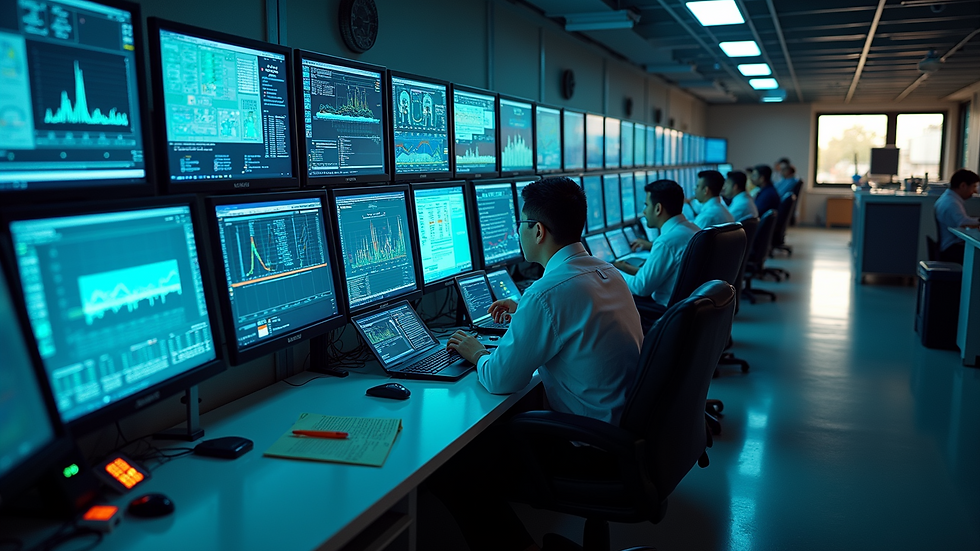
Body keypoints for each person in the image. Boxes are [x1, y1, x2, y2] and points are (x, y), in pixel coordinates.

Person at [433, 177, 644, 551]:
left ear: (538, 230)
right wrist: (525, 314)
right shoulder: (606, 272)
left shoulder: (547, 292)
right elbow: (574, 326)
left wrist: (474, 351)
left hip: (590, 449)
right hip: (627, 434)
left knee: (455, 466)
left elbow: (500, 379)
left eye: (521, 224)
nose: (519, 232)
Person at [613, 180, 700, 306]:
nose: (644, 211)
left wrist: (612, 272)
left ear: (658, 209)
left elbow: (640, 287)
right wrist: (625, 267)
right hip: (686, 308)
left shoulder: (666, 242)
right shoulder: (693, 229)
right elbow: (651, 276)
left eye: (646, 205)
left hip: (662, 312)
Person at [935, 168, 980, 264]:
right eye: (973, 187)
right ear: (963, 185)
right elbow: (963, 222)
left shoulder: (948, 199)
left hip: (949, 247)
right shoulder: (952, 203)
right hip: (951, 249)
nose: (974, 191)